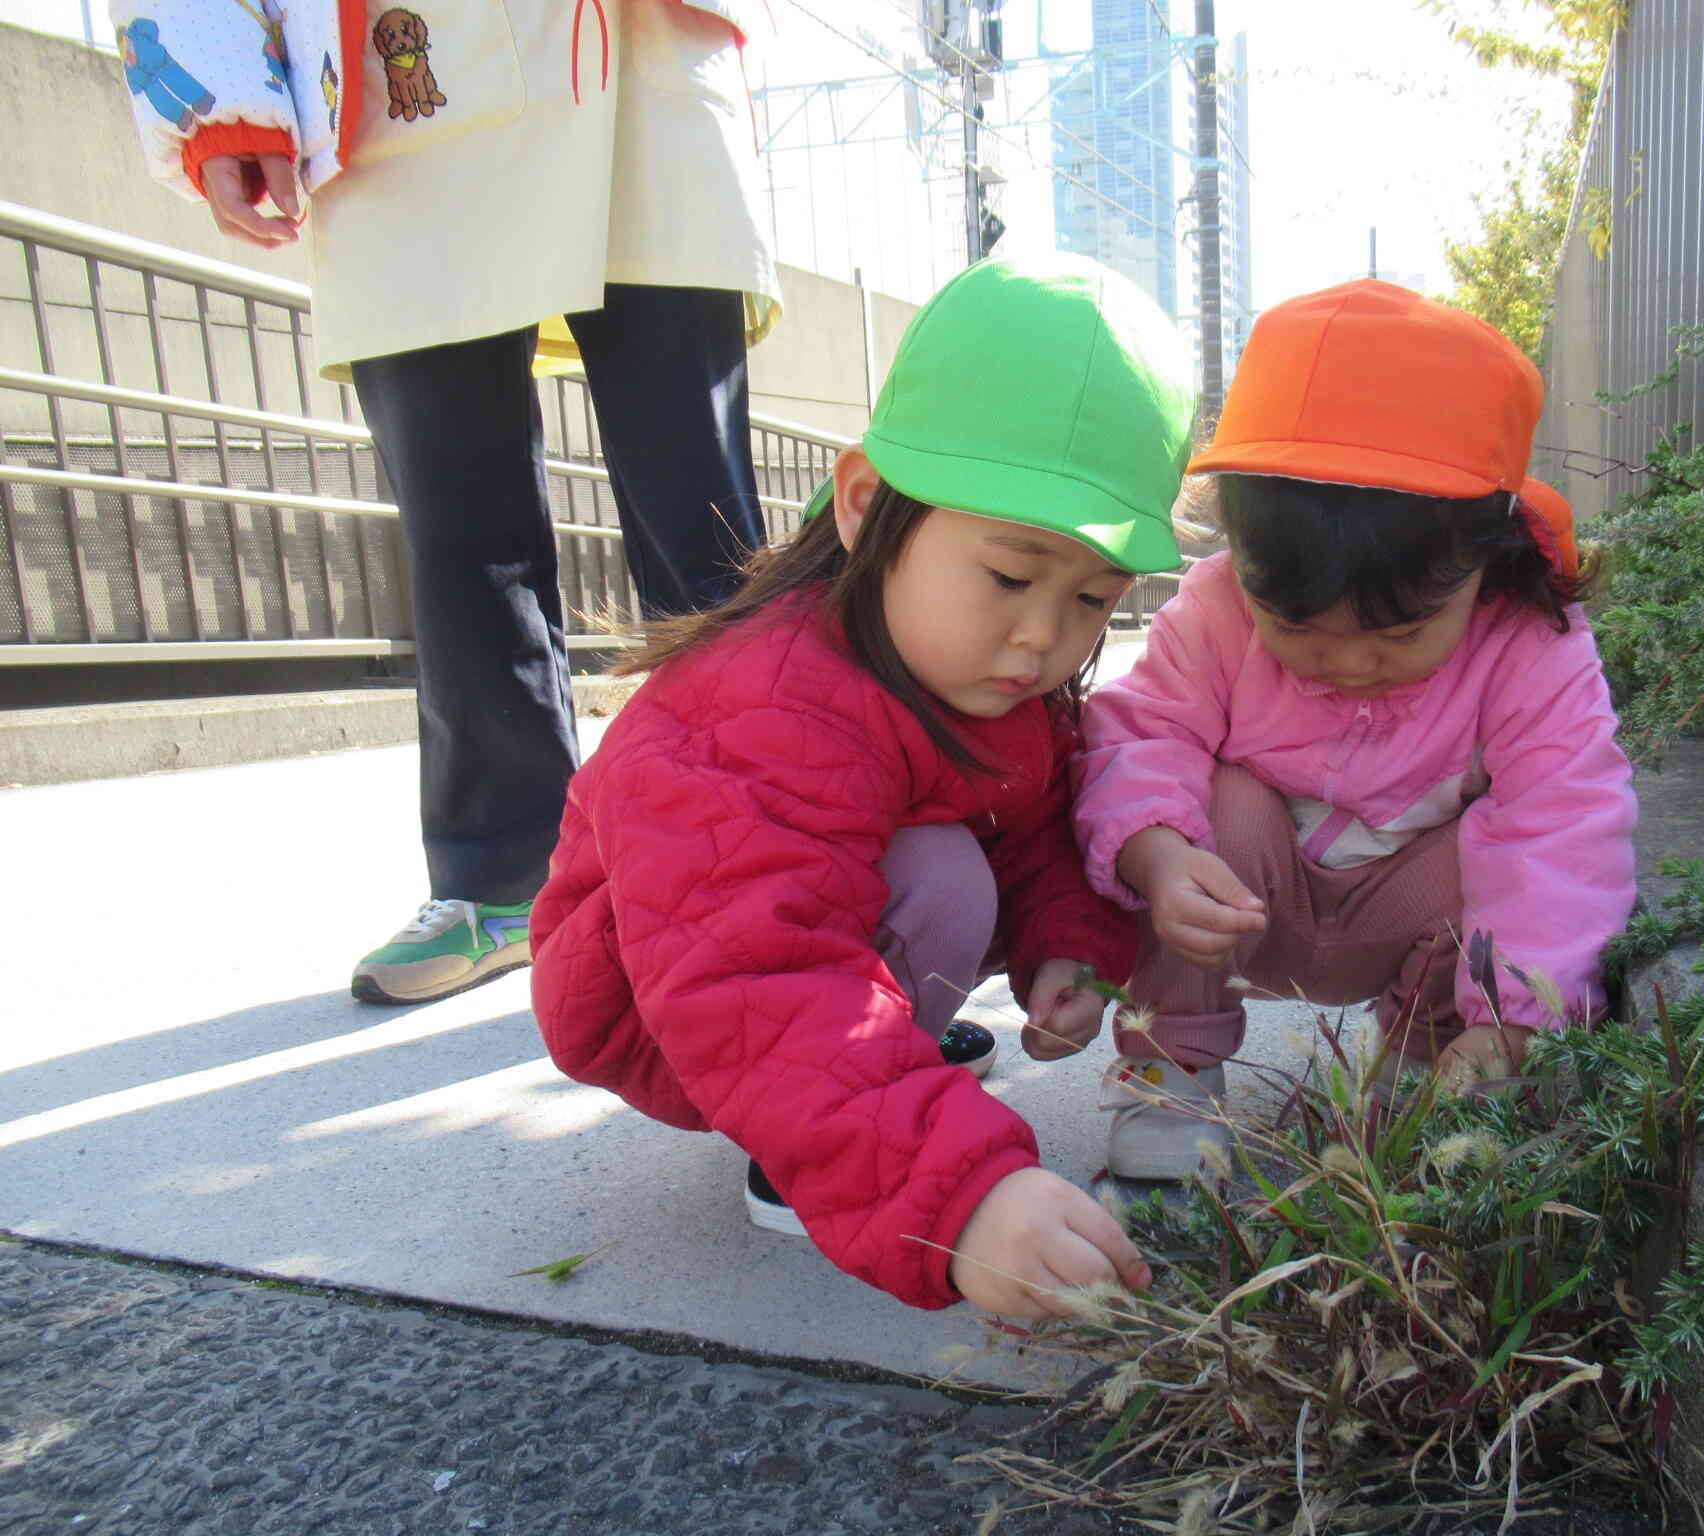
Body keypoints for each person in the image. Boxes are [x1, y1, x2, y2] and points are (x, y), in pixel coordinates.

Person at [529, 255, 1193, 1317]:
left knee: (962, 864)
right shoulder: (766, 704)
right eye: (1011, 576)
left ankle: (881, 1078)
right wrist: (957, 1194)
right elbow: (754, 965)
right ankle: (802, 1152)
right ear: (865, 503)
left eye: (1093, 600)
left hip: (762, 959)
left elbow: (1032, 824)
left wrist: (1067, 940)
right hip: (662, 998)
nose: (1042, 636)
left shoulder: (977, 674)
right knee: (938, 874)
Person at [109, 0, 781, 1003]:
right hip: (390, 79)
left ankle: (769, 855)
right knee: (459, 526)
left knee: (698, 507)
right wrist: (220, 99)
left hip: (630, 48)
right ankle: (502, 876)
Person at [1070, 279, 1639, 1180]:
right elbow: (1145, 736)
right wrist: (1156, 855)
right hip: (1234, 904)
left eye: (1400, 633)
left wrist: (1518, 1020)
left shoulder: (1531, 643)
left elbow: (1563, 828)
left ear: (1481, 565)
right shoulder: (1213, 610)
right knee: (1210, 799)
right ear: (1241, 557)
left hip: (1413, 927)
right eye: (1292, 626)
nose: (1345, 664)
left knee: (1492, 862)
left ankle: (1423, 1078)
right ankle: (1170, 1069)